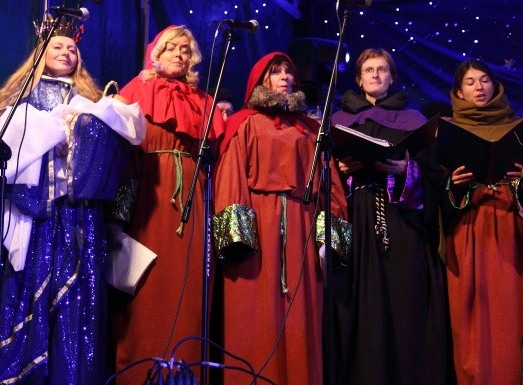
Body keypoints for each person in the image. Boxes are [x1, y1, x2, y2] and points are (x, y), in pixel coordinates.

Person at [0, 18, 146, 385]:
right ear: (40, 53)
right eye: (58, 47)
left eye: (72, 49)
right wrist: (47, 138)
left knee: (74, 297)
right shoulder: (21, 95)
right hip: (35, 213)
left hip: (77, 214)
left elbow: (113, 153)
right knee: (27, 287)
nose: (66, 53)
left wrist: (81, 137)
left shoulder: (93, 100)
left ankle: (70, 375)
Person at [212, 52, 350, 385]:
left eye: (289, 71)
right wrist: (238, 241)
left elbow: (329, 187)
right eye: (276, 72)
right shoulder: (244, 123)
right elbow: (231, 177)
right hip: (258, 225)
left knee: (302, 314)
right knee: (255, 313)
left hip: (303, 223)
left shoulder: (310, 130)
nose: (285, 76)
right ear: (262, 80)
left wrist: (328, 242)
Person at [110, 25, 225, 385]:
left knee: (189, 289)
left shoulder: (204, 101)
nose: (178, 54)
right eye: (171, 47)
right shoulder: (135, 91)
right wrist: (118, 218)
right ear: (156, 53)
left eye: (185, 50)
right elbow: (121, 156)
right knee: (147, 288)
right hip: (150, 198)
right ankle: (140, 372)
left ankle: (185, 372)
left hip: (194, 199)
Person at [331, 48, 451, 385]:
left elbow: (433, 176)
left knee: (405, 296)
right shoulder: (338, 120)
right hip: (357, 214)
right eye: (369, 70)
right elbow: (323, 175)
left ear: (392, 77)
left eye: (382, 69)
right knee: (362, 298)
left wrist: (406, 170)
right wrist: (340, 170)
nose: (375, 75)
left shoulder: (413, 119)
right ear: (358, 79)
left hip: (401, 219)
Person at [441, 59, 523, 385]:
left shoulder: (516, 127)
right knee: (469, 313)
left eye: (485, 80)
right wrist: (453, 184)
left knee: (508, 311)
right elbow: (435, 187)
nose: (479, 87)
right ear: (459, 91)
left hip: (509, 225)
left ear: (495, 86)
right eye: (471, 82)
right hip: (467, 228)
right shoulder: (448, 129)